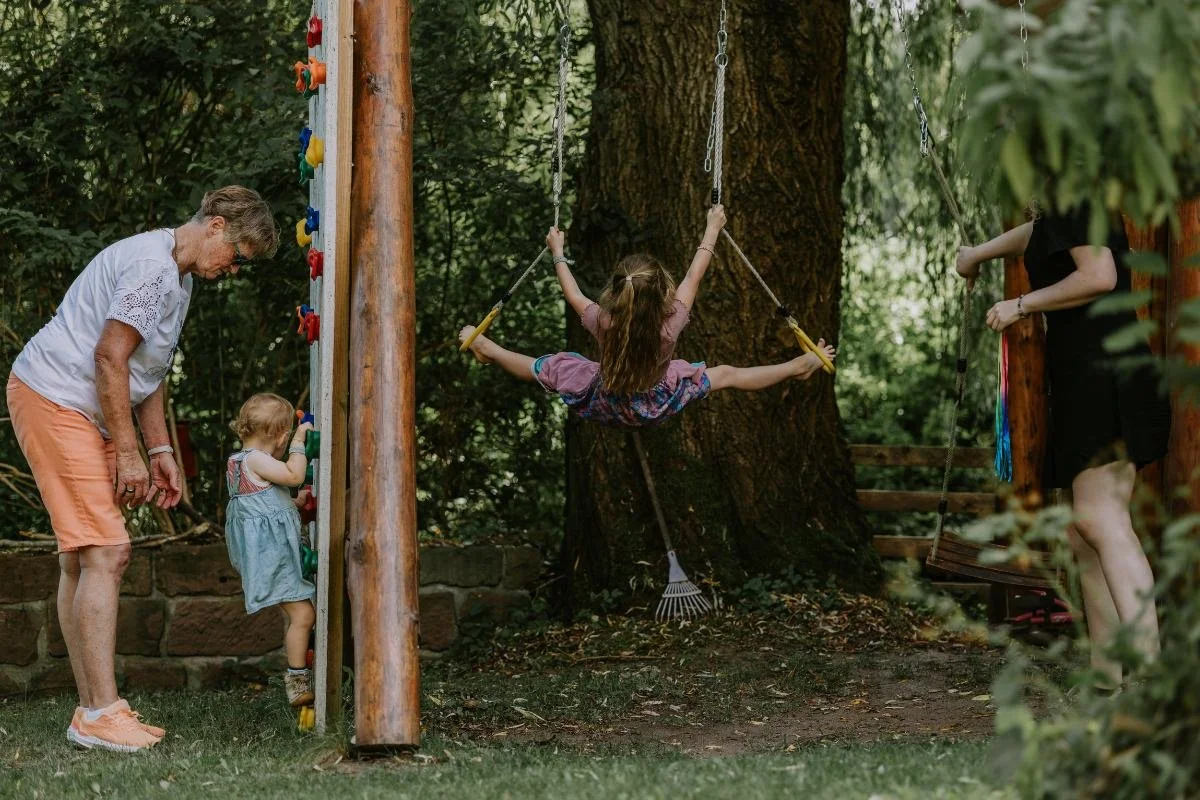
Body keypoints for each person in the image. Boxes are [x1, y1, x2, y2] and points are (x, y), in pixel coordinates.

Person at [6, 185, 279, 751]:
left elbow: (143, 374)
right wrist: (128, 453)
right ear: (218, 227)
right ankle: (100, 713)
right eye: (240, 255)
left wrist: (158, 454)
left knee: (83, 555)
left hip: (80, 405)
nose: (234, 269)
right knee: (107, 549)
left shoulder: (175, 277)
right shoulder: (153, 269)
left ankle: (92, 710)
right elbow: (109, 356)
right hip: (55, 397)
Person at [956, 203, 1170, 688]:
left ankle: (1154, 686)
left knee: (1102, 521)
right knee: (1083, 532)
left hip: (1103, 375)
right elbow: (1036, 232)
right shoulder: (1067, 201)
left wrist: (1021, 304)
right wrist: (977, 254)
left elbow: (1098, 275)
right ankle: (1107, 680)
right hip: (1093, 376)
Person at [459, 205, 836, 426]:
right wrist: (713, 227)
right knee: (727, 375)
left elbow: (572, 291)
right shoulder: (671, 325)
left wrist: (557, 250)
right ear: (662, 293)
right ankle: (795, 366)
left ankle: (490, 350)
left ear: (616, 290)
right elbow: (694, 273)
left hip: (604, 395)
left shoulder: (602, 320)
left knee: (552, 368)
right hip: (657, 399)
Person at [224, 393, 317, 709]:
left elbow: (261, 507)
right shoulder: (256, 459)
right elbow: (294, 475)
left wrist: (293, 504)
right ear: (279, 437)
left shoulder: (237, 462)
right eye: (287, 437)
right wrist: (300, 442)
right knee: (304, 614)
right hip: (275, 557)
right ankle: (297, 681)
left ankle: (297, 672)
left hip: (264, 557)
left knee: (295, 616)